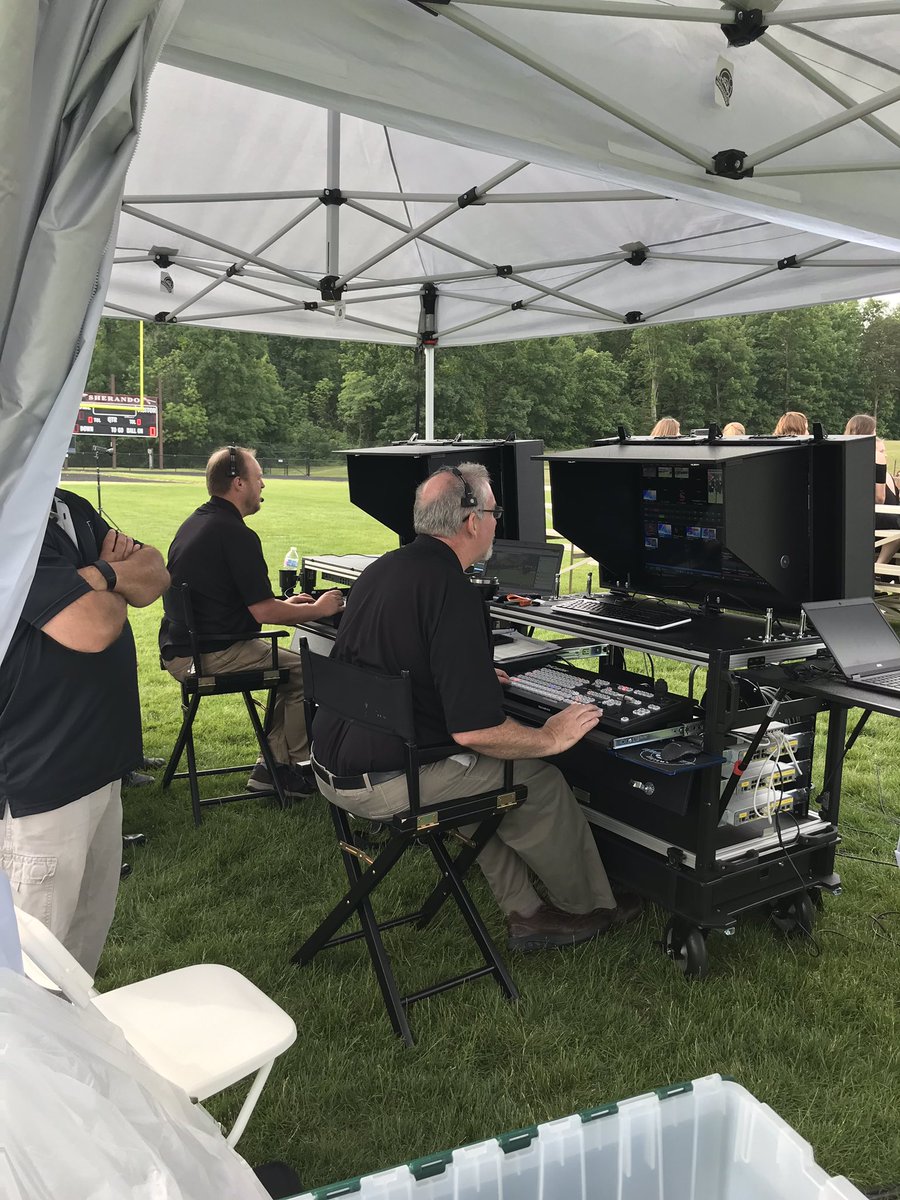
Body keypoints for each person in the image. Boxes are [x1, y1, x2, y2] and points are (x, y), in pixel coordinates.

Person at [311, 463, 641, 952]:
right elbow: (474, 731)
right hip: (384, 782)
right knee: (535, 776)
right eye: (493, 512)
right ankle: (589, 906)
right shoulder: (453, 591)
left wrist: (466, 673)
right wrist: (549, 737)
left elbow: (389, 658)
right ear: (471, 522)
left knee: (477, 779)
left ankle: (525, 912)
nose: (495, 522)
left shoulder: (385, 569)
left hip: (331, 762)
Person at [0, 488, 169, 974]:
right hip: (43, 776)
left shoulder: (66, 505)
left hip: (100, 763)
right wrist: (113, 574)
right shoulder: (13, 510)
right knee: (33, 971)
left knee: (81, 952)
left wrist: (91, 579)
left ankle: (76, 1047)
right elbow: (92, 628)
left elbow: (156, 571)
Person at [160, 446, 344, 798]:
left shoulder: (198, 522)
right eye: (259, 479)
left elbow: (240, 601)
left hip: (184, 647)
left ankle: (272, 766)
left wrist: (284, 603)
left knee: (285, 669)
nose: (263, 486)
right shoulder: (235, 534)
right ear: (239, 483)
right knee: (309, 671)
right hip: (210, 654)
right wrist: (320, 609)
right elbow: (265, 614)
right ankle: (294, 769)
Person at [845, 413, 900, 567]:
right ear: (869, 432)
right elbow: (880, 498)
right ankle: (879, 567)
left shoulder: (844, 454)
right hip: (874, 519)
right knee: (895, 524)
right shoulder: (876, 457)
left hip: (850, 519)